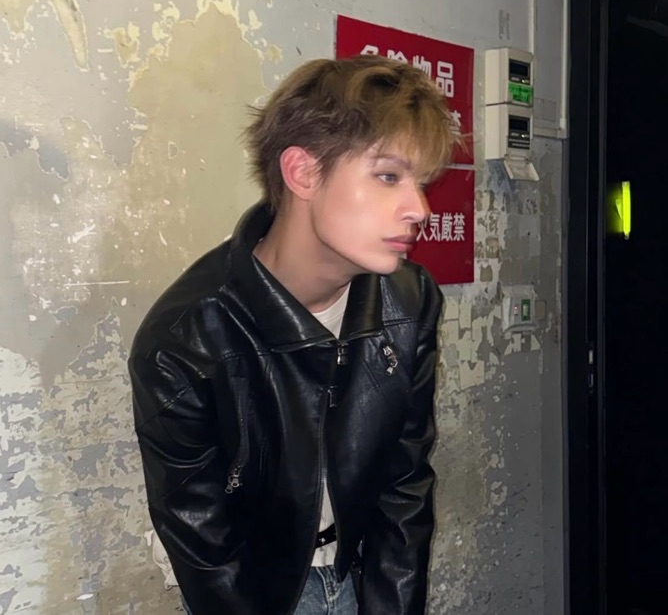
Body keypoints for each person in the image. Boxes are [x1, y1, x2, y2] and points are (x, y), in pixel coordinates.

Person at [129, 55, 456, 615]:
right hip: (260, 591)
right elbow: (202, 542)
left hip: (360, 571)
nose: (419, 209)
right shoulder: (189, 337)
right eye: (388, 176)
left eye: (420, 183)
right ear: (302, 172)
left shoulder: (410, 299)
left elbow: (404, 487)